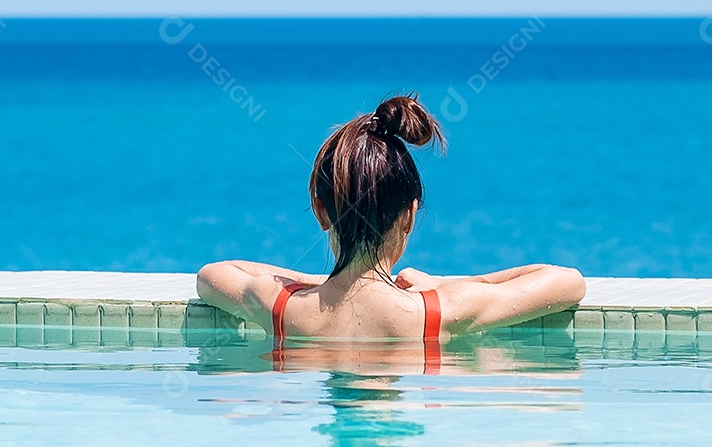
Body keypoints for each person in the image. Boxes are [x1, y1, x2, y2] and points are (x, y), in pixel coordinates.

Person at [197, 95, 586, 350]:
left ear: (320, 211)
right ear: (410, 216)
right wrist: (443, 284)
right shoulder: (439, 311)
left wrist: (329, 283)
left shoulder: (279, 307)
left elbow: (213, 274)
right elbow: (567, 281)